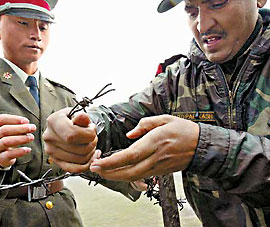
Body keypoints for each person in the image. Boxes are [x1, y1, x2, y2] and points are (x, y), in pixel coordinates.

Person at [43, 0, 270, 226]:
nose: (202, 25)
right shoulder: (178, 81)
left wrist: (204, 147)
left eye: (217, 3)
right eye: (191, 11)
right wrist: (84, 129)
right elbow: (121, 120)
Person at [0, 1, 140, 226]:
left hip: (62, 216)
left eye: (43, 27)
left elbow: (82, 157)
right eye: (23, 23)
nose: (35, 34)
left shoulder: (62, 96)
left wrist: (134, 177)